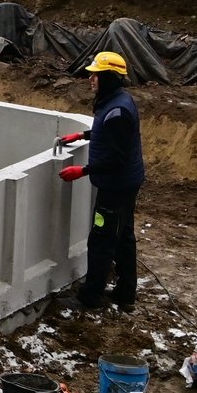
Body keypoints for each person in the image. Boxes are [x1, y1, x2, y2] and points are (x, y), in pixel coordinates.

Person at [59, 51, 144, 311]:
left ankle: (90, 298)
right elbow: (108, 133)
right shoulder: (116, 102)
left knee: (101, 240)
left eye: (96, 75)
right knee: (123, 236)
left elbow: (116, 158)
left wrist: (83, 170)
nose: (91, 78)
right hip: (125, 183)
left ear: (109, 78)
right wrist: (83, 135)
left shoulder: (118, 110)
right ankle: (125, 294)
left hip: (116, 187)